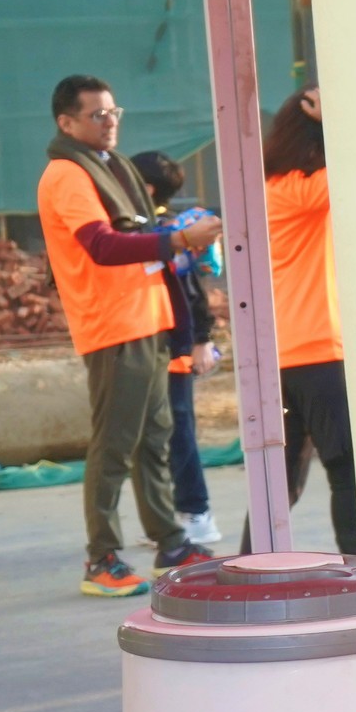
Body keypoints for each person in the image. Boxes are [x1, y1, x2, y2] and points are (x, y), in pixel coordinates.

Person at [37, 75, 219, 596]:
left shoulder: (110, 166)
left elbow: (135, 233)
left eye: (114, 112)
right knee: (115, 445)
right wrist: (177, 239)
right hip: (114, 324)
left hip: (146, 317)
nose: (110, 121)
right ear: (66, 122)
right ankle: (102, 559)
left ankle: (171, 544)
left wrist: (175, 240)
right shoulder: (68, 173)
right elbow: (102, 244)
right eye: (97, 115)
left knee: (155, 440)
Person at [264, 87, 356, 556]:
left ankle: (252, 572)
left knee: (278, 485)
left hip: (280, 352)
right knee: (345, 472)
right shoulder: (302, 191)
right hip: (316, 350)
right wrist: (338, 118)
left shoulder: (270, 190)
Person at [130, 148, 225, 549]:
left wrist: (202, 339)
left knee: (178, 430)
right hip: (153, 345)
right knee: (158, 435)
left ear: (147, 188)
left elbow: (191, 291)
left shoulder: (170, 233)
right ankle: (172, 516)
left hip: (175, 346)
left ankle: (196, 512)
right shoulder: (146, 230)